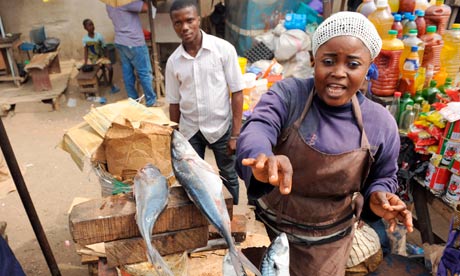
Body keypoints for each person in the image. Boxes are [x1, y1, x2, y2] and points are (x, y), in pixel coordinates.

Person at [235, 12, 413, 276]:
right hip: (268, 230)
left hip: (327, 244)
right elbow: (259, 127)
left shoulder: (381, 124)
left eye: (353, 64)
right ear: (313, 60)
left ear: (368, 68)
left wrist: (378, 197)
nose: (338, 73)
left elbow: (385, 176)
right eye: (328, 61)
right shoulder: (290, 95)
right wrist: (260, 157)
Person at [165, 0, 244, 204]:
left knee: (228, 174)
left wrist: (235, 134)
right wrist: (175, 137)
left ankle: (230, 218)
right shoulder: (174, 62)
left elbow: (237, 92)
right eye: (178, 23)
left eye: (189, 20)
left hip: (220, 126)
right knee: (193, 178)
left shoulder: (223, 49)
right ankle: (201, 220)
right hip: (190, 130)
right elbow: (174, 103)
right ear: (173, 25)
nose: (184, 27)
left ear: (198, 19)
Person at [106, 1, 161, 107]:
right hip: (134, 41)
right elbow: (145, 7)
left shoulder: (109, 3)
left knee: (127, 73)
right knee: (145, 73)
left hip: (120, 41)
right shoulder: (125, 2)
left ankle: (134, 100)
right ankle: (151, 101)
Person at [82, 18, 120, 94]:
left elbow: (105, 48)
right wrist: (85, 62)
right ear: (85, 28)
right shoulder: (85, 39)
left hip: (102, 57)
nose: (92, 26)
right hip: (93, 59)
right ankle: (94, 84)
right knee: (91, 70)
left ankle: (110, 82)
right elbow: (86, 51)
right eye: (89, 25)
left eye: (92, 24)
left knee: (110, 68)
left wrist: (107, 58)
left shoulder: (99, 36)